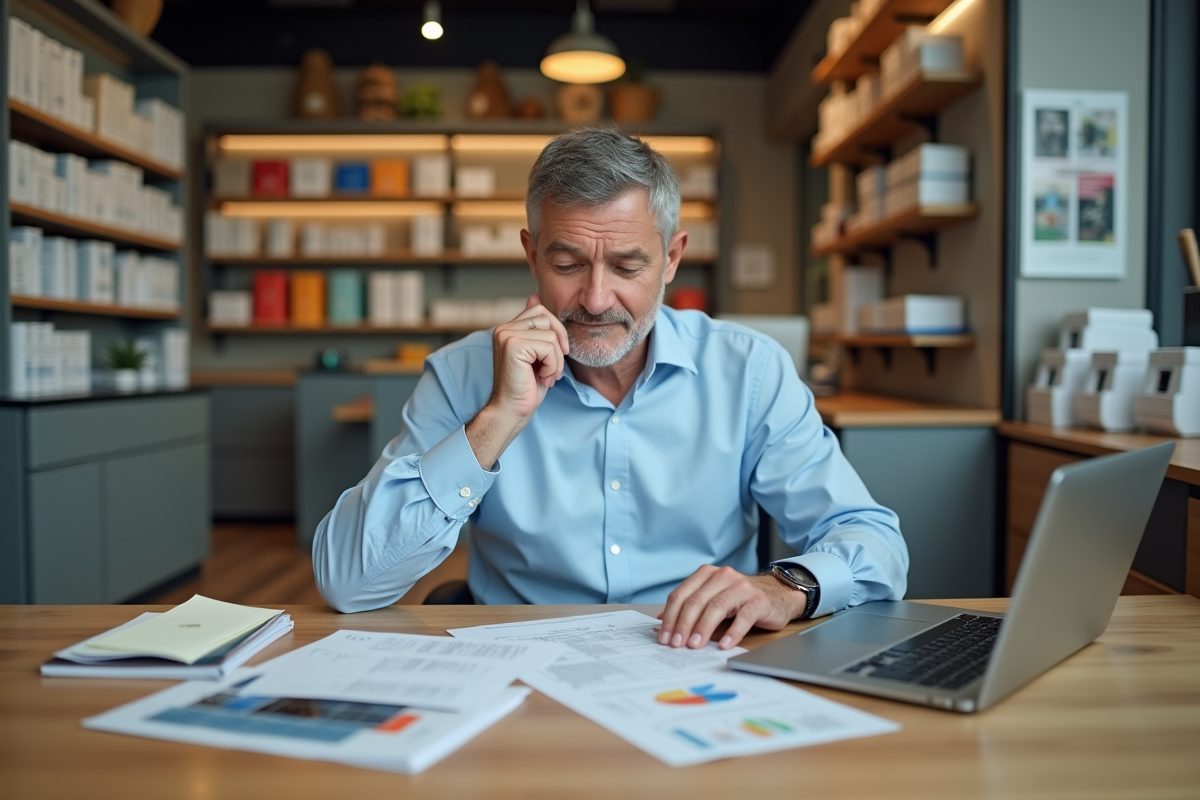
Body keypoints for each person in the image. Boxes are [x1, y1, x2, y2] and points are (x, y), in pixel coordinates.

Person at [313, 127, 908, 650]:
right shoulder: (462, 375)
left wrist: (789, 588)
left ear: (672, 258)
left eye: (627, 267)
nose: (596, 301)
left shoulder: (750, 371)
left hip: (703, 661)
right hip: (521, 668)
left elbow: (874, 543)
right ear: (532, 254)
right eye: (568, 265)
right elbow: (348, 581)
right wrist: (498, 417)